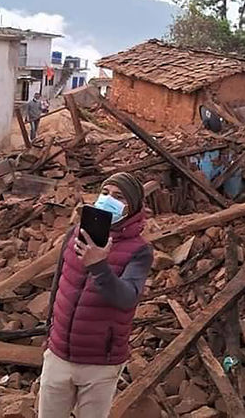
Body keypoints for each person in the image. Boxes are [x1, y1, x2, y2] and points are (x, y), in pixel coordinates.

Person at [38, 172, 154, 418]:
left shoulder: (139, 251)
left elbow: (127, 298)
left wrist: (99, 266)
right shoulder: (74, 235)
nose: (108, 199)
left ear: (131, 207)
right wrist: (49, 332)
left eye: (118, 196)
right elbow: (59, 285)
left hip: (100, 362)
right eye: (105, 193)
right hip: (58, 355)